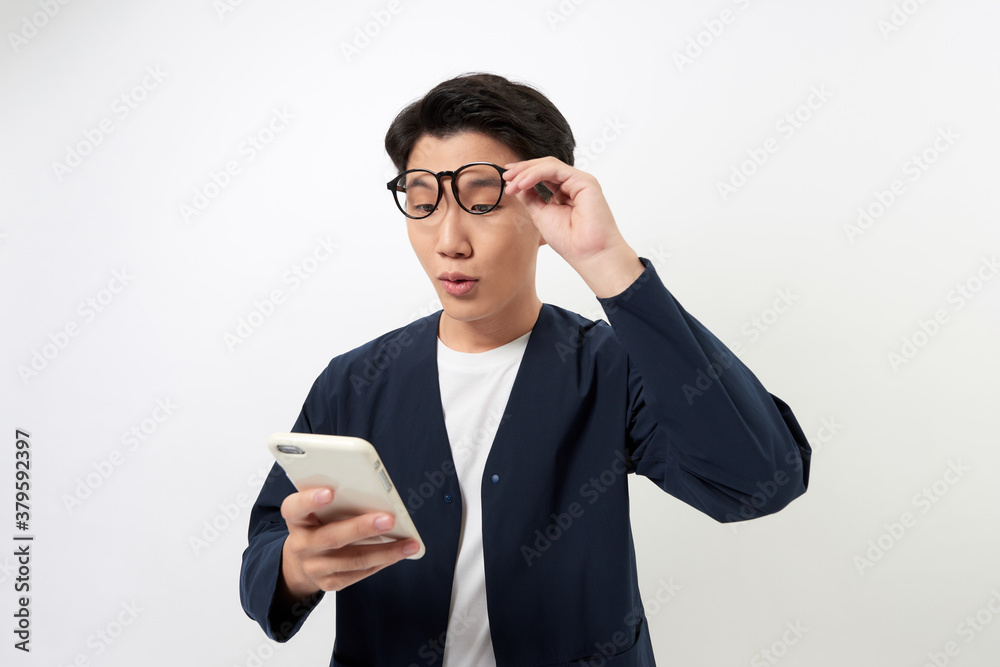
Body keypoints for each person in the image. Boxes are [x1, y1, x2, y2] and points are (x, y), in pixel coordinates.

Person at [240, 72, 811, 667]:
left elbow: (759, 480)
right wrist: (294, 567)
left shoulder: (610, 367)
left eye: (483, 197)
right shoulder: (354, 381)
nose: (449, 240)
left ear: (544, 206)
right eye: (421, 200)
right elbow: (265, 552)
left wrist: (607, 263)